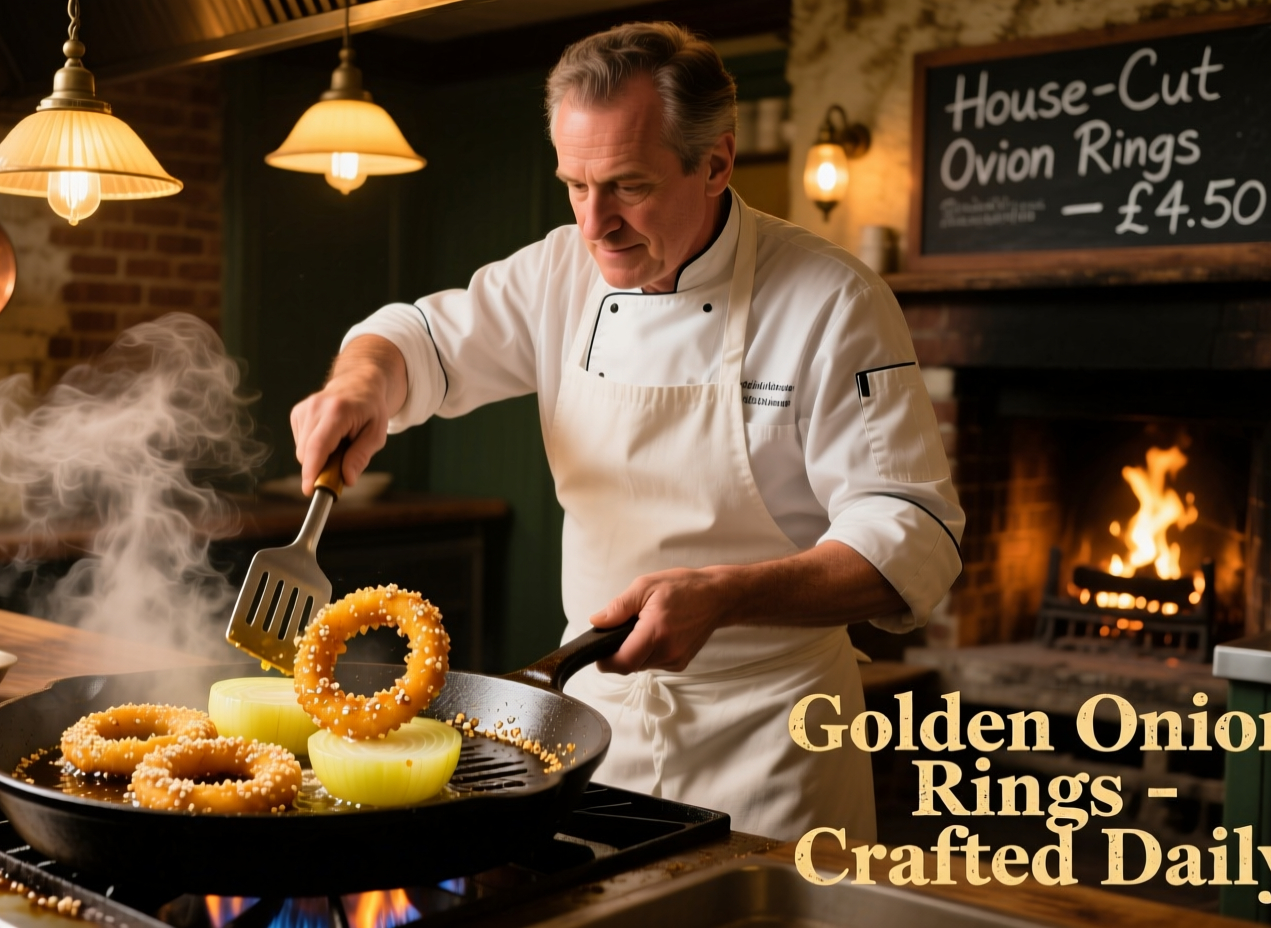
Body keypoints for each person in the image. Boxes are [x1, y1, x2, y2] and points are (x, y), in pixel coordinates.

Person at [289, 22, 964, 840]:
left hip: (771, 739)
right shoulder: (557, 273)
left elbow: (912, 539)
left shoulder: (833, 301)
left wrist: (725, 595)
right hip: (589, 720)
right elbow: (415, 338)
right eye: (574, 184)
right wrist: (359, 384)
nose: (594, 222)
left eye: (629, 186)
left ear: (716, 162)